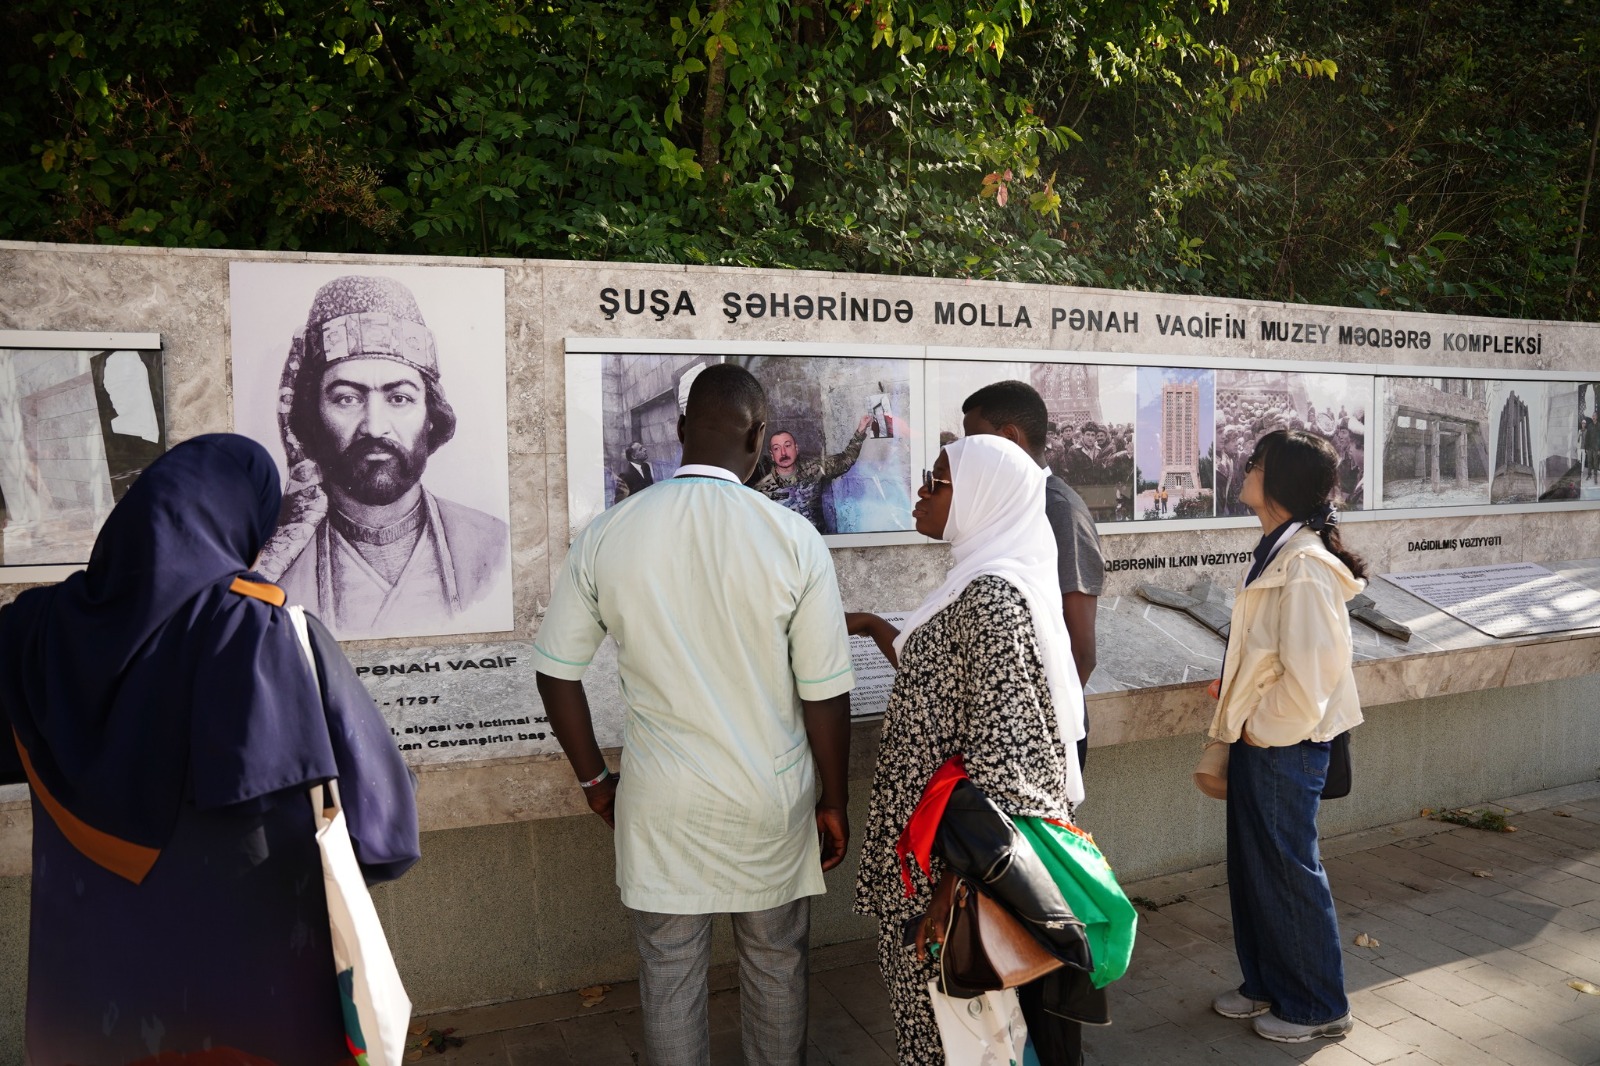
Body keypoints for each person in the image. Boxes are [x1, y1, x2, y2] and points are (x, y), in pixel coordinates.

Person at [0, 434, 420, 1063]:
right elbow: (384, 833)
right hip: (253, 1005)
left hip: (86, 1002)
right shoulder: (265, 631)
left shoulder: (30, 629)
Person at [533, 364, 854, 1066]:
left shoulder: (609, 533)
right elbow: (825, 690)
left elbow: (556, 672)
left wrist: (595, 783)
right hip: (769, 800)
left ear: (681, 431)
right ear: (760, 436)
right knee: (776, 962)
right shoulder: (792, 538)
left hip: (661, 800)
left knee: (670, 971)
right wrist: (834, 799)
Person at [848, 435, 1087, 1066]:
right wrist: (871, 625)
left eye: (938, 480)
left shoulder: (992, 600)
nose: (922, 492)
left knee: (961, 1038)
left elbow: (1009, 764)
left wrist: (951, 889)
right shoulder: (972, 585)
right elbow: (944, 683)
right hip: (931, 853)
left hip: (949, 871)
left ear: (984, 496)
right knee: (947, 1033)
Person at [1207, 429, 1365, 1043]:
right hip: (1267, 741)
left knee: (1288, 873)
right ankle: (1268, 984)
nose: (1245, 470)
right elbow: (1272, 654)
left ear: (1278, 480)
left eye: (1255, 463)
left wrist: (1257, 726)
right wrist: (1240, 695)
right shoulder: (1279, 551)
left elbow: (1311, 678)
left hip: (1285, 744)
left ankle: (1317, 1005)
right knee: (1255, 871)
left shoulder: (1304, 566)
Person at [257, 274, 510, 638]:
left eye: (399, 398)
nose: (375, 428)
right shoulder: (268, 565)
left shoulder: (493, 546)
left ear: (431, 416)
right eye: (347, 398)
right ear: (311, 418)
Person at [960, 381, 1103, 769]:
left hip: (1040, 739)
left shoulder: (1058, 509)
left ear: (1009, 437)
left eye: (975, 440)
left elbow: (1082, 652)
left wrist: (1033, 735)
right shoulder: (1013, 502)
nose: (967, 452)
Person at [752, 415, 873, 533]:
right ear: (772, 455)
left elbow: (845, 460)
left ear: (796, 448)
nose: (783, 453)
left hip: (819, 540)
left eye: (787, 446)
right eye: (776, 448)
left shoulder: (814, 469)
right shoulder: (762, 490)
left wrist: (860, 431)